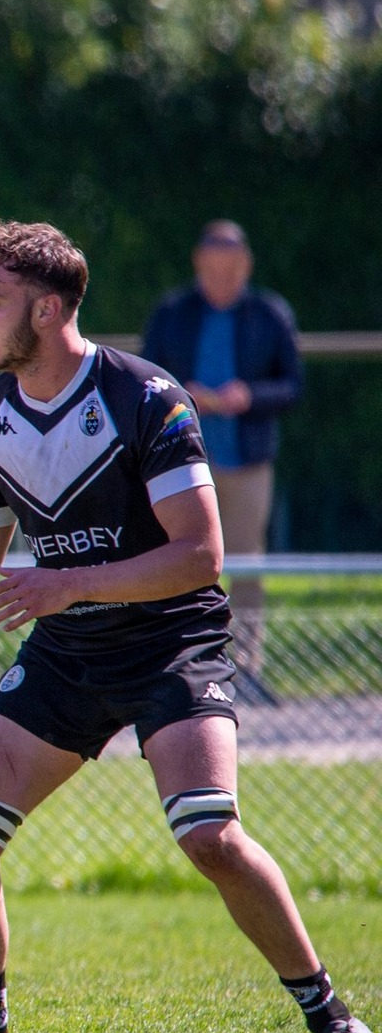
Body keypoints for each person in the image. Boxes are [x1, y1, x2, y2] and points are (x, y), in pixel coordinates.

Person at [0, 220, 378, 1033]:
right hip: (71, 651)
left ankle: (336, 1026)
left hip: (170, 641)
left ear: (51, 305)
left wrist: (67, 582)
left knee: (210, 835)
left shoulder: (147, 398)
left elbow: (199, 556)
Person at [140, 221, 303, 698]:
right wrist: (180, 392)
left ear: (246, 266)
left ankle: (247, 665)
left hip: (248, 461)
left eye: (231, 270)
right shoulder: (172, 313)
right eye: (214, 270)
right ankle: (176, 657)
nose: (222, 279)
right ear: (198, 264)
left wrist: (248, 395)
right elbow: (145, 375)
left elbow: (293, 385)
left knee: (247, 559)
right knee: (176, 556)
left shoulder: (269, 314)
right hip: (179, 463)